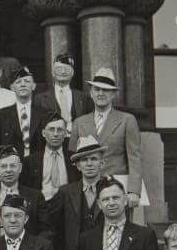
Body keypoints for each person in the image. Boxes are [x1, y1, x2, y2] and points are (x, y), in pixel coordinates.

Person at [69, 67, 147, 221]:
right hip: (88, 187)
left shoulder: (126, 120)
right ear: (91, 93)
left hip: (117, 184)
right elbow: (73, 158)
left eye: (106, 90)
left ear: (113, 94)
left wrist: (134, 191)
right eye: (97, 89)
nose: (100, 94)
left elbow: (135, 156)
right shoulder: (79, 122)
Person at [47, 135, 107, 250]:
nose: (89, 164)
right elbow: (54, 227)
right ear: (78, 166)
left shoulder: (112, 189)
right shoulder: (66, 192)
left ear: (102, 163)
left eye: (94, 159)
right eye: (84, 160)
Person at [0, 145, 52, 245]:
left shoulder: (35, 196)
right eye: (3, 166)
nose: (8, 170)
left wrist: (33, 249)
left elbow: (46, 230)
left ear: (20, 168)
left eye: (12, 166)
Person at [0, 65, 46, 159]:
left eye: (27, 81)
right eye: (18, 82)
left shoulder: (44, 114)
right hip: (11, 165)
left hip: (38, 164)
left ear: (34, 86)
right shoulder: (2, 114)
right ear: (12, 87)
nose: (23, 84)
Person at [24, 110, 80, 200]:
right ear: (43, 133)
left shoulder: (74, 159)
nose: (55, 134)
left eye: (60, 130)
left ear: (65, 133)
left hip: (67, 208)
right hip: (41, 209)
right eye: (51, 129)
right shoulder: (30, 161)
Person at [35, 53, 93, 131]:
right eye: (59, 69)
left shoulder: (84, 97)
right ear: (53, 73)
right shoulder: (40, 99)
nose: (63, 72)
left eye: (67, 69)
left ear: (72, 73)